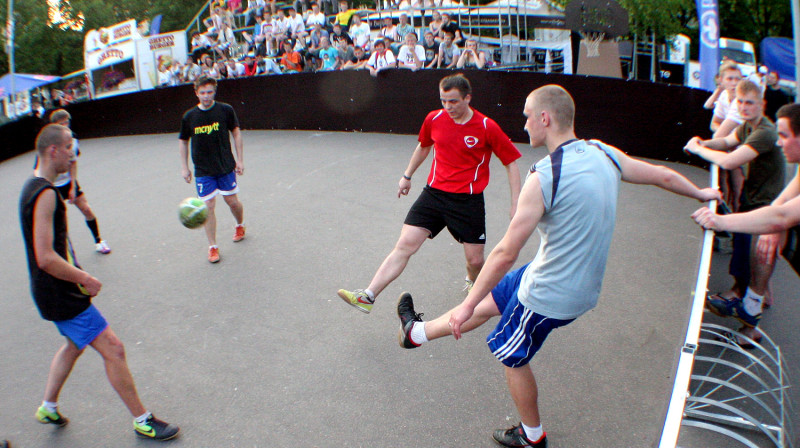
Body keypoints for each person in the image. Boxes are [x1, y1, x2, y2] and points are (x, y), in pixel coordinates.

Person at [394, 85, 720, 447]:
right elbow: (661, 175)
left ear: (544, 119)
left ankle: (532, 436)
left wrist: (466, 303)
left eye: (527, 116)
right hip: (551, 273)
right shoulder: (603, 151)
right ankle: (415, 334)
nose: (525, 123)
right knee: (491, 303)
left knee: (510, 354)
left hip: (552, 294)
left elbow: (504, 252)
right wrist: (702, 192)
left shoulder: (545, 174)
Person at [20, 124, 180, 441]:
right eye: (68, 147)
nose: (72, 152)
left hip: (50, 291)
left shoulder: (32, 186)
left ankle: (48, 406)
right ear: (52, 150)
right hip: (60, 292)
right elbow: (45, 256)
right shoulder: (46, 194)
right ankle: (142, 420)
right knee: (114, 349)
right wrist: (85, 278)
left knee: (74, 344)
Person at [338, 74, 523, 313]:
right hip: (433, 195)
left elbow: (511, 163)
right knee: (405, 245)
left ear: (468, 98)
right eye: (443, 101)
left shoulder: (486, 126)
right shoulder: (434, 118)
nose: (448, 107)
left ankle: (473, 281)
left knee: (475, 261)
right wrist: (407, 175)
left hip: (467, 201)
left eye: (454, 101)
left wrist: (516, 202)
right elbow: (424, 146)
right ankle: (368, 296)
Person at [684, 80, 786, 342]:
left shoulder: (765, 132)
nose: (743, 107)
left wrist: (698, 150)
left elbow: (730, 160)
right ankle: (748, 294)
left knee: (758, 260)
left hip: (768, 205)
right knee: (749, 257)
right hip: (754, 199)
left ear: (762, 104)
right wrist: (704, 142)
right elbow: (726, 142)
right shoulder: (746, 127)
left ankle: (750, 327)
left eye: (749, 102)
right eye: (739, 102)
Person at [179, 77, 246, 263]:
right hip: (203, 170)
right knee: (207, 207)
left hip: (225, 166)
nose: (206, 96)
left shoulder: (225, 110)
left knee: (232, 202)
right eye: (202, 92)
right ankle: (213, 247)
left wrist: (240, 160)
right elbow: (183, 141)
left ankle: (240, 224)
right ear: (196, 93)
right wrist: (185, 167)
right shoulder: (189, 116)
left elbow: (236, 133)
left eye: (209, 92)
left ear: (214, 91)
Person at [35, 109, 111, 254]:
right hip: (51, 185)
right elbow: (38, 169)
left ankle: (99, 241)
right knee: (56, 221)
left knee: (86, 209)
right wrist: (45, 187)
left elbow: (73, 163)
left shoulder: (73, 140)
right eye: (61, 123)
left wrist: (73, 186)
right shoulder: (48, 145)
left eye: (67, 122)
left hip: (67, 182)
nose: (66, 125)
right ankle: (59, 252)